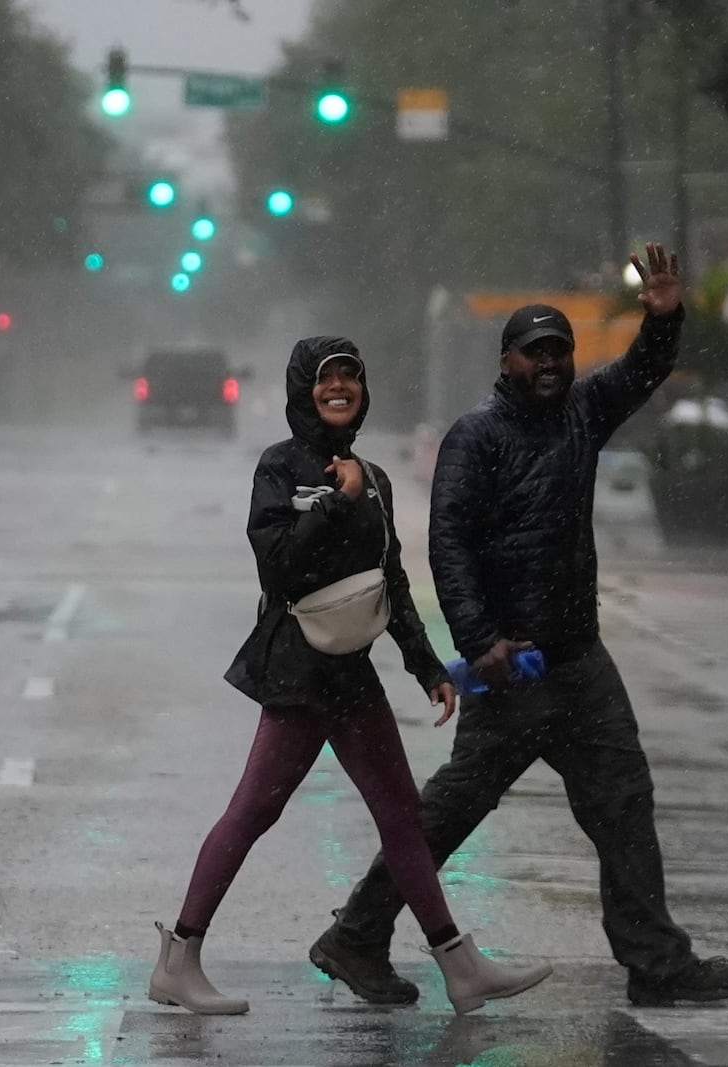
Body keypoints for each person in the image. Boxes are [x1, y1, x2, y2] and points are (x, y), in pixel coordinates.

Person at [310, 245, 728, 1008]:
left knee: (624, 803)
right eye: (535, 352)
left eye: (560, 352)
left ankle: (655, 961)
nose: (550, 363)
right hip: (510, 667)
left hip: (580, 661)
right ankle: (357, 931)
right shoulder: (476, 438)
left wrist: (663, 315)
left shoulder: (583, 412)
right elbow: (447, 544)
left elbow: (642, 371)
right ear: (506, 359)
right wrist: (481, 643)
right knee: (449, 812)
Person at [149, 335, 554, 1016]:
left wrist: (426, 664)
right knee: (254, 811)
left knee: (402, 819)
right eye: (326, 378)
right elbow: (277, 569)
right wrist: (335, 503)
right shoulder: (279, 468)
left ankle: (460, 964)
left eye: (350, 377)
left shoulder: (375, 476)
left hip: (352, 677)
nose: (339, 388)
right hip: (298, 678)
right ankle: (179, 958)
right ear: (303, 387)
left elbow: (388, 579)